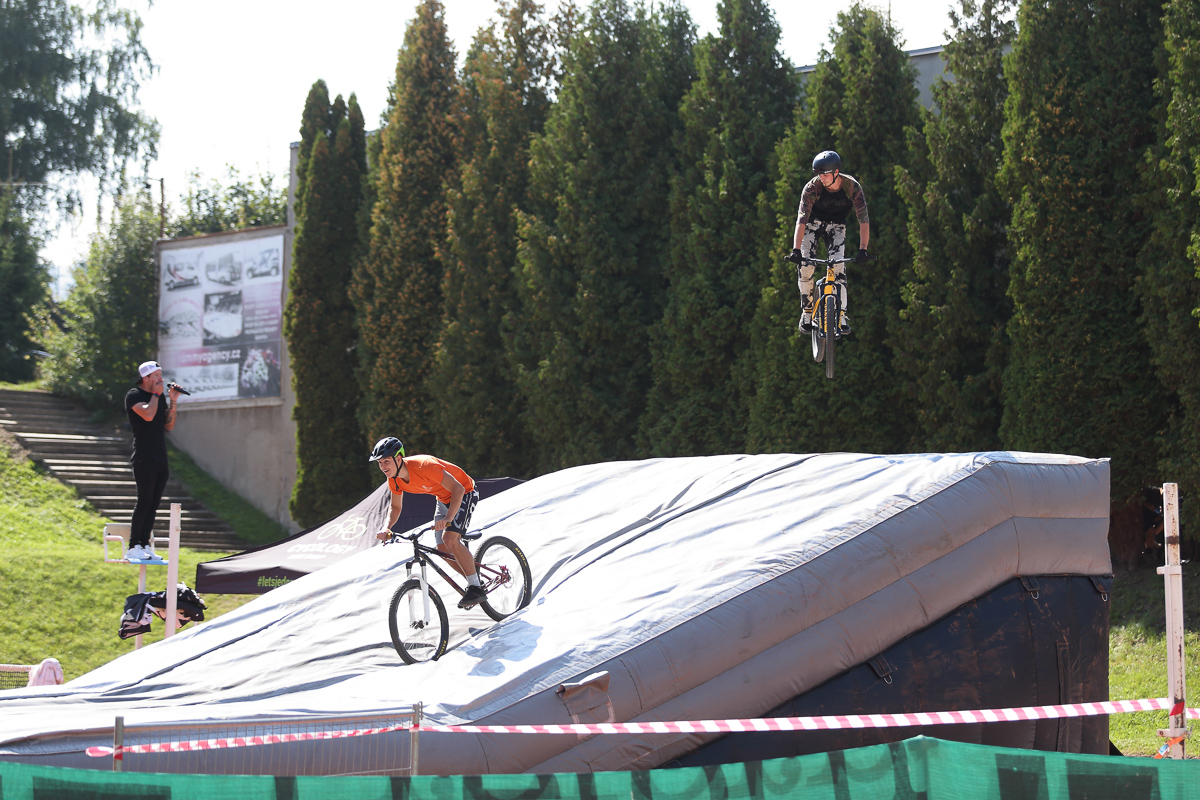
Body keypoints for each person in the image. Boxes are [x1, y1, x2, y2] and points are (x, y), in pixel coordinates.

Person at [370, 437, 486, 608]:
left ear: (399, 458)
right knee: (442, 549)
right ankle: (474, 582)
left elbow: (458, 489)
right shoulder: (394, 479)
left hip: (465, 492)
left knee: (449, 538)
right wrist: (387, 528)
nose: (382, 467)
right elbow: (395, 507)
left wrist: (447, 519)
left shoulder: (425, 466)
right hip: (443, 499)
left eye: (386, 461)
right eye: (380, 463)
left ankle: (476, 588)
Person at [787, 150, 870, 335]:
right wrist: (796, 250)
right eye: (819, 174)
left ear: (836, 172)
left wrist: (863, 249)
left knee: (838, 265)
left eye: (825, 174)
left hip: (836, 226)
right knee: (806, 266)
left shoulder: (852, 187)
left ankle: (841, 315)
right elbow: (801, 220)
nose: (822, 178)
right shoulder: (812, 188)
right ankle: (807, 312)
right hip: (811, 224)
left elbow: (863, 220)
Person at [124, 361, 181, 560]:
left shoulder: (160, 397)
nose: (161, 379)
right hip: (144, 457)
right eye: (156, 375)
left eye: (160, 374)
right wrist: (156, 395)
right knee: (144, 501)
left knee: (154, 503)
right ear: (146, 378)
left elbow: (169, 425)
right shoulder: (134, 395)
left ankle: (145, 544)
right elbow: (148, 415)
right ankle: (133, 545)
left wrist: (173, 401)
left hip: (160, 457)